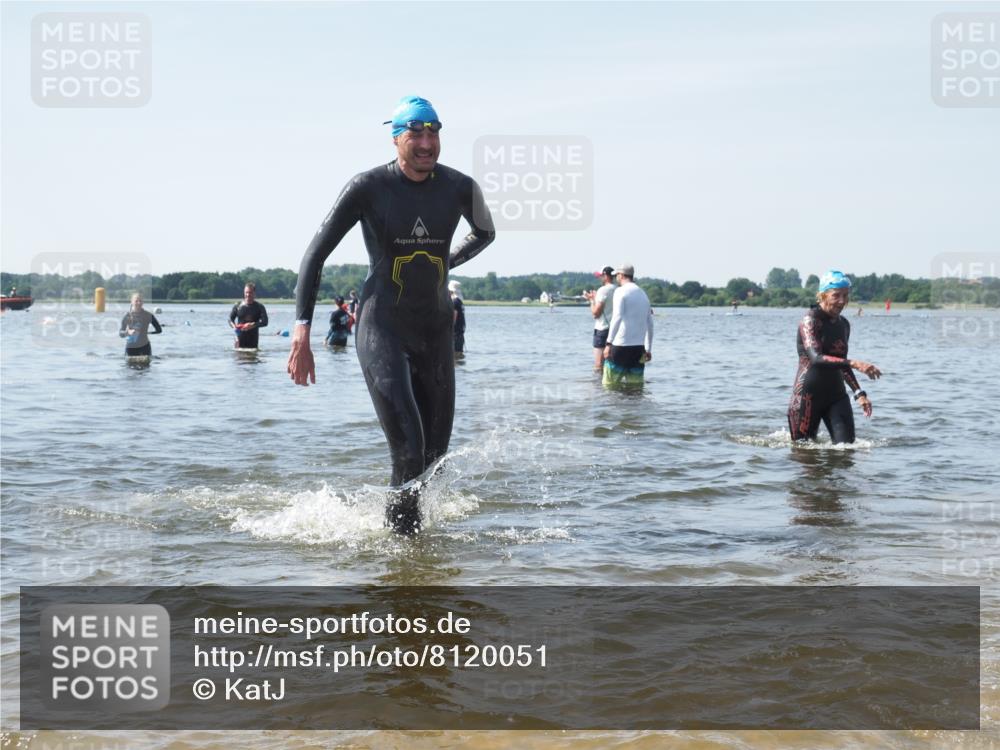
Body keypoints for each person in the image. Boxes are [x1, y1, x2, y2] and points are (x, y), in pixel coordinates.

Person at [287, 95, 496, 534]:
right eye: (416, 133)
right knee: (409, 449)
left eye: (434, 131)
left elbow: (485, 233)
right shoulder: (368, 187)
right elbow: (314, 255)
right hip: (382, 327)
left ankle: (403, 532)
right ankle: (404, 557)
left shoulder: (460, 187)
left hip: (435, 329)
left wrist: (445, 260)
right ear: (396, 138)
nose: (426, 142)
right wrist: (301, 332)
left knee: (436, 455)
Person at [787, 270, 882, 444]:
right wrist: (854, 363)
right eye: (836, 295)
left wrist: (859, 393)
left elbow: (840, 362)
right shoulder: (810, 320)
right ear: (822, 296)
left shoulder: (844, 324)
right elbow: (816, 357)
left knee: (847, 452)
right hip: (807, 398)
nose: (842, 301)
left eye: (846, 296)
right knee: (804, 456)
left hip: (836, 397)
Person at [602, 264, 653, 386]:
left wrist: (608, 343)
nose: (616, 278)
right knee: (635, 389)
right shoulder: (643, 294)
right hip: (638, 349)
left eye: (617, 275)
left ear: (621, 275)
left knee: (609, 387)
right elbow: (650, 324)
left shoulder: (620, 291)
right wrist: (648, 349)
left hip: (620, 347)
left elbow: (617, 317)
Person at [583, 266, 615, 370]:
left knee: (599, 365)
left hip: (602, 329)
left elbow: (596, 313)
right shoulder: (618, 289)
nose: (600, 278)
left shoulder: (603, 290)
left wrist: (592, 300)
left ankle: (598, 385)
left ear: (606, 276)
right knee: (610, 364)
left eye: (601, 276)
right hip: (615, 330)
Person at [229, 283, 268, 349]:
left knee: (252, 357)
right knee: (239, 357)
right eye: (246, 292)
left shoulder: (259, 307)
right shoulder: (238, 305)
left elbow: (265, 322)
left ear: (254, 293)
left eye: (250, 292)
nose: (248, 295)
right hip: (240, 341)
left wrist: (252, 325)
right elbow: (230, 319)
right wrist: (234, 327)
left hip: (253, 342)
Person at [449, 280, 466, 355]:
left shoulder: (454, 302)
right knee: (459, 356)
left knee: (454, 356)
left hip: (455, 335)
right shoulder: (459, 302)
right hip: (460, 334)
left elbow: (454, 319)